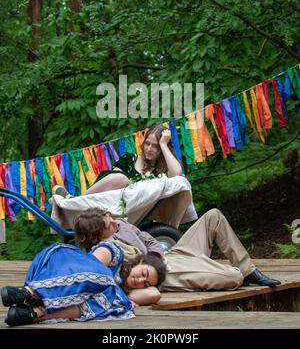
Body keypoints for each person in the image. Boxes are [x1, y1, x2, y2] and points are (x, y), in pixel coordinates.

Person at [1, 208, 166, 327]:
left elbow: (154, 293)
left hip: (88, 289)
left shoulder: (118, 292)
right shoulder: (113, 249)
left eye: (146, 283)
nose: (141, 281)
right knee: (104, 267)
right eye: (144, 273)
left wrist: (126, 295)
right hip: (78, 272)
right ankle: (30, 294)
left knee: (106, 300)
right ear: (139, 262)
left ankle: (34, 312)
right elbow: (91, 268)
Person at [78, 207, 281, 293]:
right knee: (234, 277)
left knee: (213, 216)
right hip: (165, 275)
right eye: (109, 224)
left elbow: (150, 240)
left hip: (170, 257)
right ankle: (231, 272)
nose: (114, 222)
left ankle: (249, 270)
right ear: (97, 234)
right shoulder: (102, 252)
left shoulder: (121, 225)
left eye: (111, 218)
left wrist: (157, 256)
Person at [53, 124, 198, 224]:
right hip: (110, 206)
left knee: (181, 180)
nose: (149, 149)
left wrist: (164, 144)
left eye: (155, 146)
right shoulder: (131, 158)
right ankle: (76, 200)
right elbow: (111, 180)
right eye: (147, 143)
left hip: (135, 214)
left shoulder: (161, 171)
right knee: (121, 178)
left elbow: (178, 175)